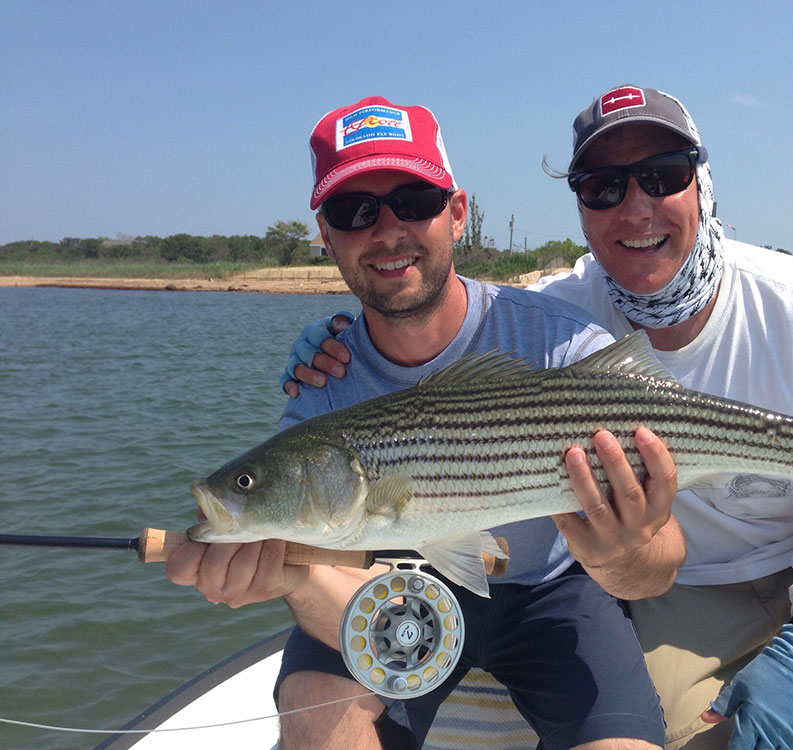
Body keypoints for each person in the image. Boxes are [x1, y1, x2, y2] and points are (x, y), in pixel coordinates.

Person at [283, 85, 793, 749]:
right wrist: (342, 334)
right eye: (602, 187)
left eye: (662, 175)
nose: (635, 208)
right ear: (582, 207)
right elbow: (450, 318)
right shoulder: (564, 316)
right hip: (676, 593)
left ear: (703, 183)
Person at [168, 95, 682, 750]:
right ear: (325, 236)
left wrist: (628, 552)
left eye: (413, 200)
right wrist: (291, 575)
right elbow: (343, 575)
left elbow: (661, 566)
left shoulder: (565, 347)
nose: (387, 230)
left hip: (553, 592)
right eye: (355, 212)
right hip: (393, 584)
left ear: (457, 213)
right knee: (314, 708)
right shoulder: (320, 389)